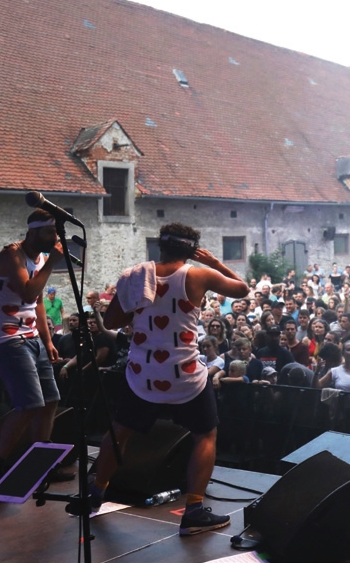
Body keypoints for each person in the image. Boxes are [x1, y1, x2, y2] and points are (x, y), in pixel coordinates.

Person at [77, 222, 250, 536]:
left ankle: (96, 492)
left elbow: (113, 320)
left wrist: (139, 306)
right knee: (205, 434)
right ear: (191, 250)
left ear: (160, 246)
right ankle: (194, 510)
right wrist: (213, 262)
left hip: (143, 373)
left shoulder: (133, 276)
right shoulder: (198, 275)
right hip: (184, 374)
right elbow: (242, 289)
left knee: (119, 433)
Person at [0, 210, 67, 492]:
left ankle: (40, 464)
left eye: (56, 234)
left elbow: (37, 301)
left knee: (51, 399)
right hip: (7, 337)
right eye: (50, 234)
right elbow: (28, 292)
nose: (55, 239)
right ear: (34, 232)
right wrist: (53, 262)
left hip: (31, 337)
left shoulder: (39, 257)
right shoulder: (12, 255)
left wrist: (48, 339)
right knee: (29, 405)